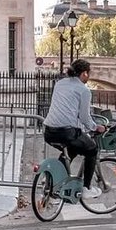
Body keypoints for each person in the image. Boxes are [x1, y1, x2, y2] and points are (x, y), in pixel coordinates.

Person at [43, 58, 106, 199]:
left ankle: (55, 182)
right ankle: (86, 188)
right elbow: (84, 116)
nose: (88, 76)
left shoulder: (59, 84)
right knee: (91, 149)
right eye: (88, 73)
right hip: (66, 132)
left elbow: (66, 108)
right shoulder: (84, 90)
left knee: (72, 149)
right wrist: (96, 127)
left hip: (48, 131)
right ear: (84, 73)